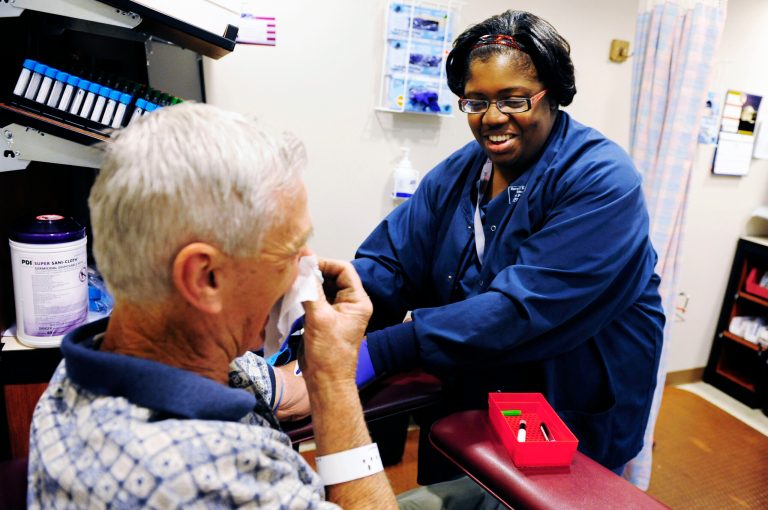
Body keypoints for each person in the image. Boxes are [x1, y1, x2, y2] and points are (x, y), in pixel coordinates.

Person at [27, 103, 398, 509]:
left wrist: (337, 362)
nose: (306, 269)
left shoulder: (103, 360)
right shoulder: (208, 480)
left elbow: (288, 389)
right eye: (290, 251)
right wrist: (337, 385)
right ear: (206, 279)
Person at [353, 9, 666, 484]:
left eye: (514, 100)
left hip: (566, 397)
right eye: (475, 101)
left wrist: (385, 350)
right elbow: (392, 256)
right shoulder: (463, 171)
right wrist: (337, 306)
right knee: (454, 487)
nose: (493, 118)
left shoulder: (601, 178)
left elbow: (523, 306)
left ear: (552, 95)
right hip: (471, 392)